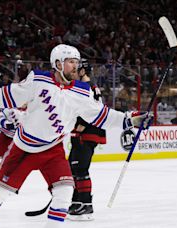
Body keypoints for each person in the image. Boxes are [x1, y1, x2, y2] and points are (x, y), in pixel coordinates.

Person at [0, 44, 151, 228]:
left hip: (53, 150)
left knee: (65, 192)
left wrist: (130, 120)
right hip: (23, 148)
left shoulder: (82, 91)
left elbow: (101, 115)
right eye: (70, 62)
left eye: (76, 62)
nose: (75, 66)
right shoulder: (38, 80)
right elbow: (10, 94)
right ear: (58, 64)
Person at [67, 59, 106, 221]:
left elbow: (92, 110)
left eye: (76, 70)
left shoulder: (87, 87)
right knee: (73, 167)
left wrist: (81, 125)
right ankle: (77, 202)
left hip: (87, 133)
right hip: (87, 133)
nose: (74, 73)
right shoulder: (91, 86)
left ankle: (86, 205)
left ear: (83, 72)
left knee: (80, 168)